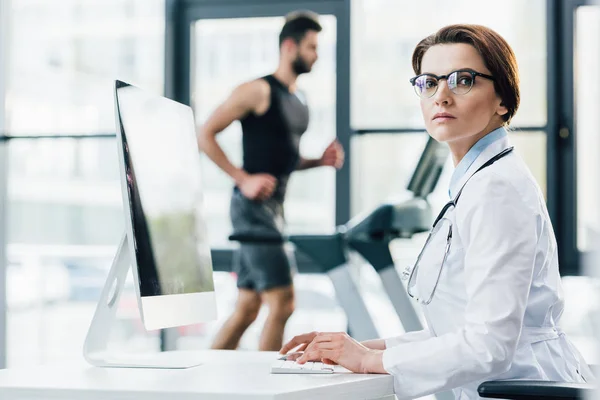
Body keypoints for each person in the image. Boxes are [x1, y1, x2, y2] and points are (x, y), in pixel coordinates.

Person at [278, 24, 593, 399]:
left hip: (519, 388)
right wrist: (356, 348)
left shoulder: (496, 189)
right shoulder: (477, 181)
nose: (441, 96)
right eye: (429, 82)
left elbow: (488, 345)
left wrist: (367, 360)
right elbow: (450, 331)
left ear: (503, 101)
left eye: (463, 80)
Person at [197, 11, 344, 352]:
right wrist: (242, 178)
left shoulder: (299, 100)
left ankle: (205, 375)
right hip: (252, 209)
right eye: (311, 47)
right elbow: (205, 133)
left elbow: (285, 160)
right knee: (283, 303)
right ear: (289, 46)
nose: (316, 55)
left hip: (275, 207)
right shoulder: (257, 90)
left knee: (248, 307)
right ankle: (266, 387)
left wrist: (317, 161)